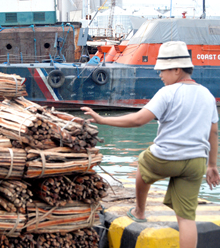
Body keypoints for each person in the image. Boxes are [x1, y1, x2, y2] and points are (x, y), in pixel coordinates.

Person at [81, 41, 220, 248]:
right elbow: (213, 132)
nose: (160, 75)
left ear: (176, 69)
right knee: (186, 219)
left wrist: (102, 120)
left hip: (165, 158)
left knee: (143, 162)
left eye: (162, 70)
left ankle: (139, 211)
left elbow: (138, 120)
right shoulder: (208, 96)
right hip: (195, 162)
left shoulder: (168, 93)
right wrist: (212, 166)